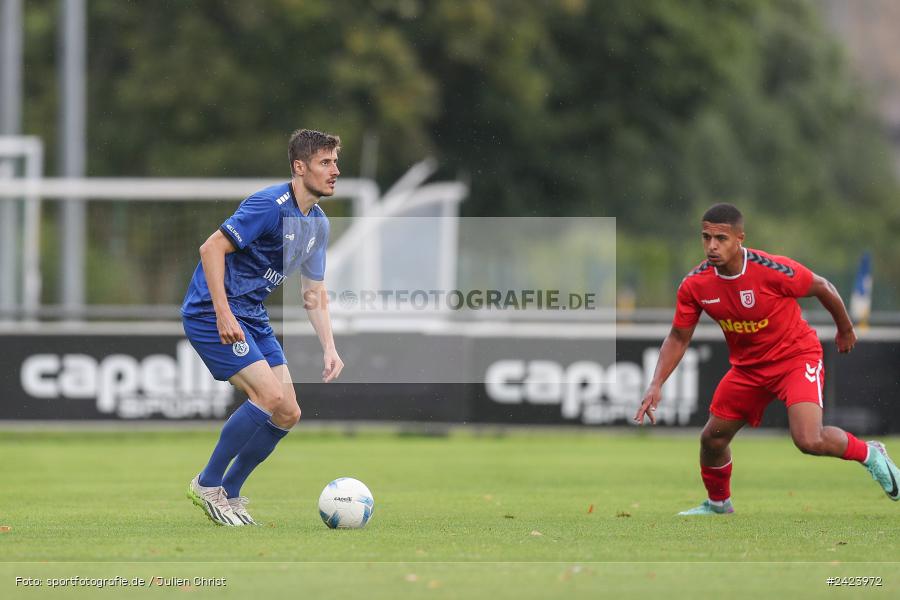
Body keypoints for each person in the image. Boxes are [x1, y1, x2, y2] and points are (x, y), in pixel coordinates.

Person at [634, 203, 899, 515]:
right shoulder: (695, 284)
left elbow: (823, 287)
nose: (712, 246)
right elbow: (679, 337)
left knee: (808, 439)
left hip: (795, 358)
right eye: (706, 237)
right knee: (712, 440)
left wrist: (845, 328)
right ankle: (719, 504)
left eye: (721, 238)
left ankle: (871, 454)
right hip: (748, 370)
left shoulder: (772, 270)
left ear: (740, 238)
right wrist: (656, 382)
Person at [181, 129, 344, 526]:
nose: (335, 170)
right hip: (210, 310)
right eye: (326, 162)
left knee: (288, 411)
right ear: (299, 167)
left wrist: (330, 347)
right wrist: (222, 312)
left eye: (336, 162)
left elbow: (314, 291)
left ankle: (230, 494)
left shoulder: (318, 224)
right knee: (268, 396)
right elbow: (210, 248)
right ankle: (206, 483)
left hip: (251, 314)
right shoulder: (269, 206)